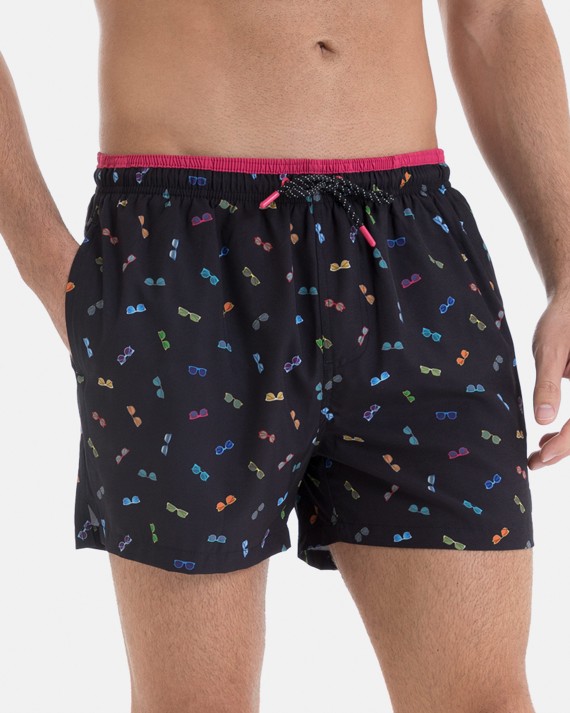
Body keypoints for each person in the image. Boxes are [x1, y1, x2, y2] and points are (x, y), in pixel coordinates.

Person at [1, 1, 568, 711]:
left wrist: (568, 266)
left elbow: (497, 13)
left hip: (413, 250)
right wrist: (43, 257)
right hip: (184, 254)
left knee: (484, 701)